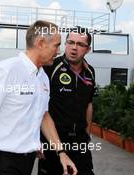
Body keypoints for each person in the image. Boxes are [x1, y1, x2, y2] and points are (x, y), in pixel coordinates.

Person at [0, 20, 77, 175]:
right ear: (41, 43)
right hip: (3, 160)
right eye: (56, 45)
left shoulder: (42, 76)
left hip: (28, 159)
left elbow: (43, 116)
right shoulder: (8, 69)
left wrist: (61, 152)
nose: (59, 50)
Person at [38, 27, 96, 175]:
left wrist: (87, 135)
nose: (74, 48)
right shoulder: (49, 67)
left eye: (80, 44)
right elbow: (37, 106)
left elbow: (89, 105)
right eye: (70, 42)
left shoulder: (90, 72)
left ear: (88, 49)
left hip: (80, 142)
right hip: (53, 140)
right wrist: (36, 140)